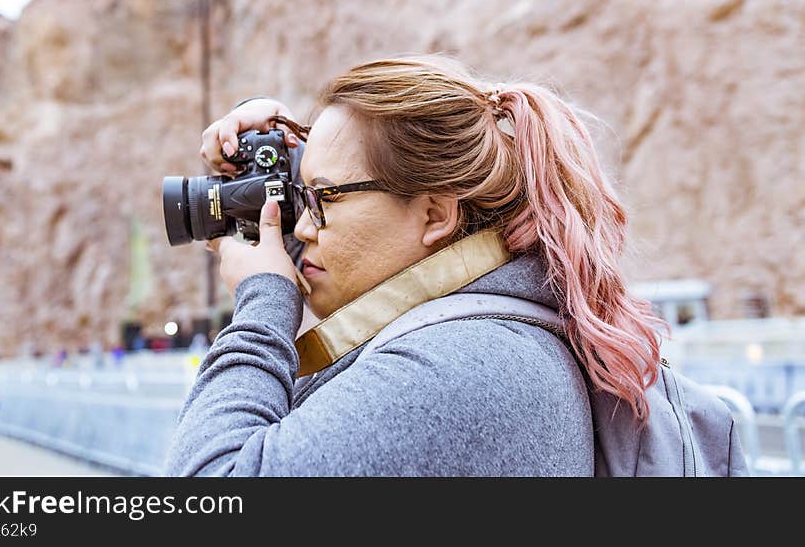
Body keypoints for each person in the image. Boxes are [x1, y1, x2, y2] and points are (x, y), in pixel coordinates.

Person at [164, 54, 669, 476]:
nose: (302, 229)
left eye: (322, 199)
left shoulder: (466, 370)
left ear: (434, 214)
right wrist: (263, 174)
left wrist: (263, 300)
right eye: (303, 197)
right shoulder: (492, 333)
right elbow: (345, 235)